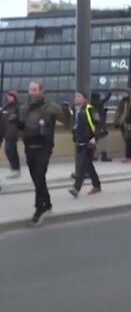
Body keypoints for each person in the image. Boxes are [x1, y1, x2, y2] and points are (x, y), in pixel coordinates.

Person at [16, 81, 68, 225]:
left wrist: (66, 111)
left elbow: (67, 122)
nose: (31, 93)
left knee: (39, 176)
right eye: (30, 90)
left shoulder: (51, 107)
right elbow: (21, 127)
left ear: (41, 91)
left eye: (34, 90)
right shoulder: (24, 108)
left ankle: (40, 208)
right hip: (29, 147)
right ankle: (48, 203)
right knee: (36, 178)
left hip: (44, 147)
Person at [68, 92, 103, 198]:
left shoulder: (90, 109)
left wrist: (94, 138)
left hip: (89, 141)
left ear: (85, 99)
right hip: (79, 141)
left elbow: (98, 124)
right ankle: (97, 185)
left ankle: (76, 188)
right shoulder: (73, 110)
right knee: (88, 165)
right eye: (75, 96)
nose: (76, 98)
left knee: (82, 165)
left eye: (79, 96)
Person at [1, 90, 22, 178]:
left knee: (9, 150)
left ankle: (15, 169)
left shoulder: (18, 107)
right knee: (10, 150)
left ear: (15, 97)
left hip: (12, 132)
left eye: (11, 96)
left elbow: (21, 118)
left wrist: (15, 117)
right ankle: (15, 168)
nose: (9, 98)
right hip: (4, 132)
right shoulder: (5, 108)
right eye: (8, 96)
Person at [89, 92, 112, 162]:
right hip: (100, 125)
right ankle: (104, 156)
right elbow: (105, 99)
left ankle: (93, 156)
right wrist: (110, 93)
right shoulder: (99, 103)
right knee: (102, 142)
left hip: (94, 126)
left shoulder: (90, 105)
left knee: (94, 141)